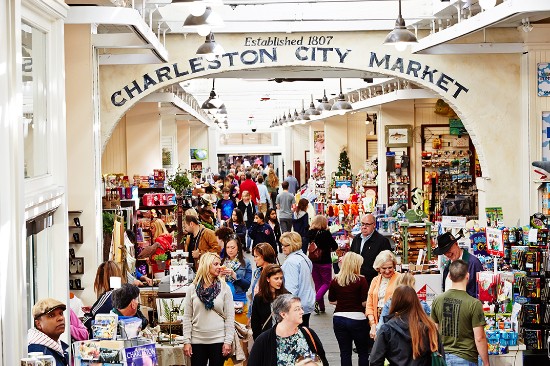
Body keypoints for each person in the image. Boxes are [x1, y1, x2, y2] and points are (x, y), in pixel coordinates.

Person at [431, 259, 490, 366]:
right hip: (466, 358)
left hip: (443, 357)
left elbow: (433, 331)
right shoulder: (474, 304)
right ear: (467, 276)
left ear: (449, 276)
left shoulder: (437, 300)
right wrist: (486, 362)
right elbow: (479, 338)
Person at [370, 286, 444, 366]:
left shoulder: (387, 328)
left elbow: (375, 361)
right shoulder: (429, 327)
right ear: (416, 301)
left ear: (395, 302)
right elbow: (440, 355)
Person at [182, 252, 235, 366]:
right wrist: (187, 341)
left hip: (218, 340)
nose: (219, 267)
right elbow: (187, 317)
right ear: (206, 265)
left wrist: (228, 341)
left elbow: (230, 317)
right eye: (215, 264)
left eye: (219, 264)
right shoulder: (192, 288)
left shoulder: (225, 288)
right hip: (197, 341)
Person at [248, 294, 329, 366]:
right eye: (297, 309)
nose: (302, 312)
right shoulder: (264, 341)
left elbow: (322, 361)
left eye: (301, 308)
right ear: (283, 314)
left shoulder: (308, 334)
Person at [328, 252, 369, 366]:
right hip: (358, 319)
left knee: (345, 353)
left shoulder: (336, 280)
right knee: (363, 352)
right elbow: (364, 302)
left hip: (339, 318)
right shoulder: (361, 280)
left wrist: (343, 301)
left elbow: (331, 300)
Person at [280, 232, 315, 327]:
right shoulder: (304, 257)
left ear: (293, 245)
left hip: (297, 305)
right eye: (282, 244)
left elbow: (291, 288)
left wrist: (286, 308)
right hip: (306, 302)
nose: (282, 247)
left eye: (285, 245)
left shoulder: (291, 261)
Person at [433, 231, 483, 298]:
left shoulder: (473, 263)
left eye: (449, 249)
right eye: (444, 252)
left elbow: (480, 291)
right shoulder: (447, 267)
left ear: (456, 244)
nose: (448, 254)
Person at [83, 260, 126, 333]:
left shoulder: (108, 296)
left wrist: (84, 317)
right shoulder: (125, 293)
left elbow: (89, 321)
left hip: (105, 338)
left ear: (102, 278)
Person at [366, 250, 399, 340]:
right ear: (378, 268)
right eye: (384, 268)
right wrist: (373, 324)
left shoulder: (400, 278)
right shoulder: (375, 280)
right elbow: (369, 304)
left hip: (395, 321)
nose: (387, 271)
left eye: (390, 267)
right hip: (377, 320)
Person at [307, 215, 338, 314]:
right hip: (325, 261)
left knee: (318, 284)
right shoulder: (326, 233)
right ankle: (316, 299)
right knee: (327, 283)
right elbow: (334, 246)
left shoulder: (310, 233)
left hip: (313, 261)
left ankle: (321, 307)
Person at [350, 213, 391, 285]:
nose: (364, 227)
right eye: (362, 224)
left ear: (374, 225)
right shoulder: (357, 239)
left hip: (373, 282)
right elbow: (352, 257)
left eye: (367, 225)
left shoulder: (382, 241)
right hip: (356, 280)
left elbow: (386, 263)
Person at [250, 264, 289, 339]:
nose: (279, 281)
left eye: (281, 278)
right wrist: (258, 341)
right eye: (276, 278)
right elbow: (255, 323)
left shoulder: (287, 297)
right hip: (266, 338)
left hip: (285, 338)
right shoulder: (259, 298)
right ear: (268, 279)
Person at [221, 234, 252, 324]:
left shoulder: (245, 262)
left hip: (239, 300)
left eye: (232, 247)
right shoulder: (222, 261)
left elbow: (247, 285)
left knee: (240, 331)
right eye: (227, 247)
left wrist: (234, 275)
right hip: (224, 300)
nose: (230, 250)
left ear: (238, 247)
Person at [28, 298, 69, 365]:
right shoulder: (39, 354)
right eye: (52, 315)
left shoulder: (54, 346)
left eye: (61, 313)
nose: (60, 318)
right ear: (38, 324)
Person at [247, 243, 278, 319]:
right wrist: (250, 314)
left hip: (269, 314)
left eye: (256, 256)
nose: (254, 259)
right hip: (256, 312)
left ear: (264, 256)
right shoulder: (257, 272)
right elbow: (254, 295)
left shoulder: (275, 273)